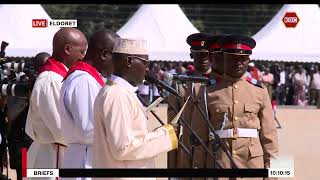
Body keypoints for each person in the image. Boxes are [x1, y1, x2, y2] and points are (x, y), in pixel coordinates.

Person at [93, 38, 178, 179]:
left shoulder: (118, 91)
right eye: (145, 63)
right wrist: (165, 135)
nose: (147, 69)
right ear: (129, 61)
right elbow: (122, 148)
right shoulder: (117, 95)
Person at [204, 35, 278, 173]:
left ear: (248, 60)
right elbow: (199, 139)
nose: (238, 63)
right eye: (233, 58)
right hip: (219, 162)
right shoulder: (208, 91)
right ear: (224, 58)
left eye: (242, 59)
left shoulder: (260, 91)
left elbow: (271, 138)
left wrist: (274, 174)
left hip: (252, 164)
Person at [25, 27, 88, 177]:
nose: (84, 57)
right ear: (67, 49)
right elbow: (61, 130)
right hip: (53, 157)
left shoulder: (62, 76)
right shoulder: (51, 80)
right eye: (82, 51)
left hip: (61, 153)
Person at [58, 30, 118, 178]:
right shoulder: (84, 81)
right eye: (117, 58)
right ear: (104, 54)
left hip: (85, 156)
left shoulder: (86, 78)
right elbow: (89, 130)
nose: (118, 65)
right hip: (85, 159)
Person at [167, 32, 214, 170]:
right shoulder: (180, 85)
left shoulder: (219, 83)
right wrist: (172, 168)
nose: (203, 59)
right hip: (187, 151)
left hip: (213, 151)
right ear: (191, 55)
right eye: (199, 55)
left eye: (206, 55)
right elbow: (172, 127)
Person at [6, 52, 49, 180]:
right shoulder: (22, 86)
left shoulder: (49, 84)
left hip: (40, 143)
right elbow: (13, 111)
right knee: (24, 174)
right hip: (23, 141)